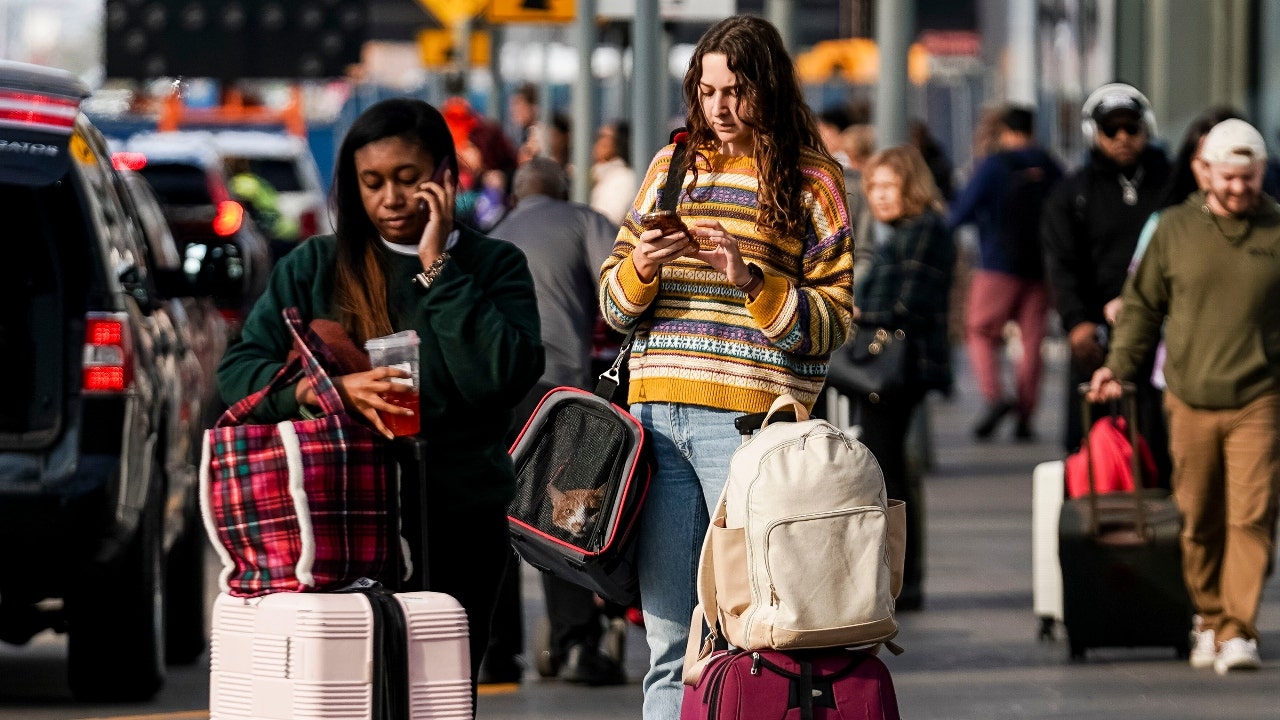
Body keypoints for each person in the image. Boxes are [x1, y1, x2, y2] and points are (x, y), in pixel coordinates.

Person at [215, 98, 545, 713]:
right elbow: (238, 373)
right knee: (347, 689)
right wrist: (325, 391)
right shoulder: (315, 265)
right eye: (372, 183)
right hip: (339, 512)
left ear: (446, 176)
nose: (390, 198)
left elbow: (497, 377)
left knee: (439, 692)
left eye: (407, 179)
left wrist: (438, 269)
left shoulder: (496, 264)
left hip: (460, 512)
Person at [598, 16, 853, 720]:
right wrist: (642, 269)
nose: (719, 107)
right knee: (669, 643)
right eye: (707, 90)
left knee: (757, 632)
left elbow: (832, 322)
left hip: (747, 431)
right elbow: (614, 308)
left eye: (736, 90)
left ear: (768, 88)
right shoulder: (669, 167)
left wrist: (751, 282)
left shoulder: (812, 182)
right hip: (653, 422)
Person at [1086, 118, 1280, 675]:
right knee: (1197, 517)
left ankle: (1239, 629)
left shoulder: (1276, 229)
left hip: (1259, 399)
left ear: (1260, 172)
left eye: (1250, 177)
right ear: (1206, 173)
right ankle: (1208, 617)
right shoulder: (1172, 229)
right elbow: (1142, 306)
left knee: (1253, 515)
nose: (1240, 188)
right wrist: (1116, 368)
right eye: (1230, 178)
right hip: (1189, 395)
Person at [490, 157, 627, 686]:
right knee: (561, 515)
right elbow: (620, 288)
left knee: (498, 518)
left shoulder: (495, 234)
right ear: (564, 188)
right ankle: (575, 645)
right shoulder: (583, 220)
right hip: (555, 389)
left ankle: (496, 652)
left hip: (498, 391)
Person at [1041, 82, 1171, 457]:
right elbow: (1060, 262)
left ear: (1146, 128)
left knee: (1155, 435)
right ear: (1092, 133)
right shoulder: (1072, 192)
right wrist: (1076, 322)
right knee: (1092, 439)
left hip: (1160, 330)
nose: (1122, 137)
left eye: (1131, 128)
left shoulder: (1170, 183)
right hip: (1094, 334)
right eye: (1110, 129)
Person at [855, 145, 955, 610]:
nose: (880, 196)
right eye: (873, 187)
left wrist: (858, 312)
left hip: (899, 369)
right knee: (890, 468)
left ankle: (902, 577)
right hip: (896, 368)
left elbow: (909, 305)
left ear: (911, 186)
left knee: (889, 471)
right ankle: (900, 575)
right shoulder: (900, 233)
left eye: (890, 186)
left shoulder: (925, 230)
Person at [948, 105, 1063, 440]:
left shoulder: (993, 166)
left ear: (1004, 131)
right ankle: (1026, 415)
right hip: (1040, 269)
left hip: (996, 267)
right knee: (1032, 342)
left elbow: (959, 214)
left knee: (981, 332)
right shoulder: (1050, 166)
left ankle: (996, 397)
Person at [590, 119, 639, 227]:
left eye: (602, 136)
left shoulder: (624, 178)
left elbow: (608, 220)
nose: (598, 142)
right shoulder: (601, 174)